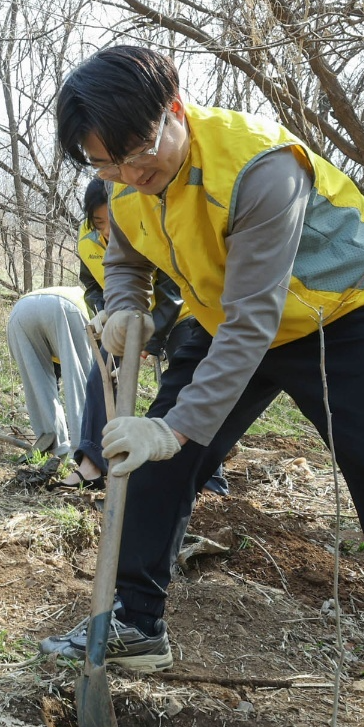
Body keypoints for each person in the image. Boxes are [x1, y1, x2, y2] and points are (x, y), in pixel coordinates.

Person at [46, 45, 364, 727]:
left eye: (136, 154)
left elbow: (254, 321)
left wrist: (178, 425)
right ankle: (133, 619)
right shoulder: (122, 179)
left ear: (174, 111)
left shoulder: (259, 166)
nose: (126, 173)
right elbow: (127, 248)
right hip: (231, 315)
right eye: (106, 163)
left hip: (345, 313)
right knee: (151, 467)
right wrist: (123, 302)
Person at [75, 179, 226, 494]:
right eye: (100, 222)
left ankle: (208, 477)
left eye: (111, 221)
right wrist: (108, 315)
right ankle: (92, 462)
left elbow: (172, 286)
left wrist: (151, 342)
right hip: (126, 318)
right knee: (100, 374)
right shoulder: (86, 239)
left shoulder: (149, 219)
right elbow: (91, 283)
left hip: (182, 313)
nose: (106, 231)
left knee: (188, 379)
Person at [5, 285, 95, 484]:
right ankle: (85, 453)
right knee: (81, 381)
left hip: (20, 311)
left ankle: (55, 448)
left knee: (37, 385)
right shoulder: (93, 299)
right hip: (64, 308)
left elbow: (51, 378)